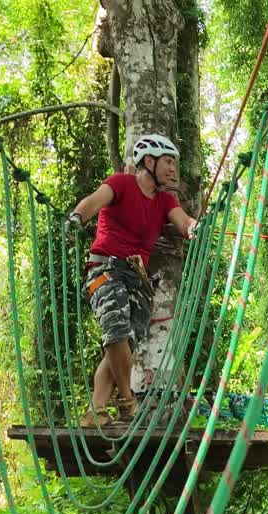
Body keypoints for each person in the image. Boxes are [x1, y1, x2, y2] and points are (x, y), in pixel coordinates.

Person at [63, 134, 199, 427]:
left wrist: (194, 228)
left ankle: (96, 411)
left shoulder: (165, 200)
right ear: (148, 162)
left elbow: (183, 220)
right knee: (115, 332)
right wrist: (77, 217)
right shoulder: (121, 183)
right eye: (168, 162)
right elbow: (93, 202)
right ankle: (127, 399)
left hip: (138, 281)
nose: (173, 169)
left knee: (122, 344)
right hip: (106, 269)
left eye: (174, 163)